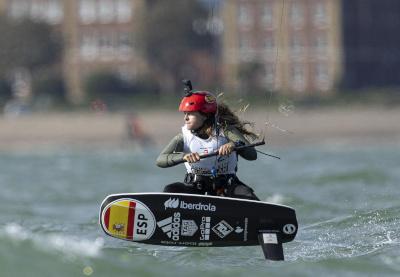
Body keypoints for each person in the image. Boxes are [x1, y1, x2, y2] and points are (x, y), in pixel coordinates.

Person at [156, 89, 260, 201]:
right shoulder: (183, 137)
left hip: (227, 187)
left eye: (190, 114)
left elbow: (252, 155)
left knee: (248, 195)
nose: (185, 118)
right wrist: (183, 157)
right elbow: (160, 160)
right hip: (195, 187)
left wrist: (233, 145)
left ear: (205, 115)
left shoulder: (226, 131)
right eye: (185, 113)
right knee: (170, 190)